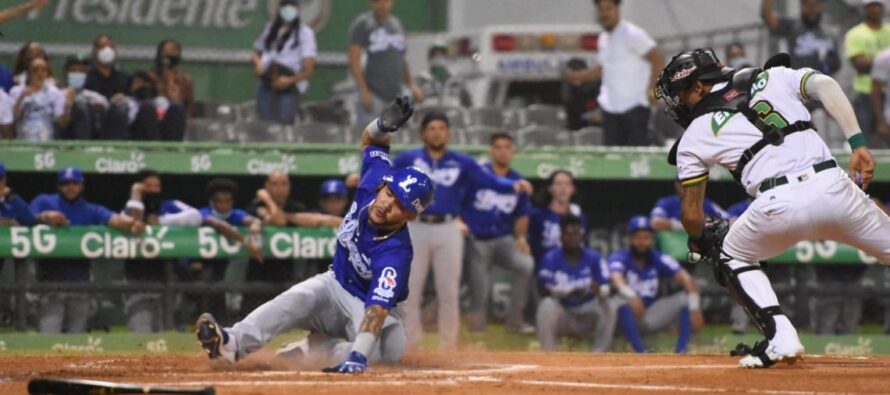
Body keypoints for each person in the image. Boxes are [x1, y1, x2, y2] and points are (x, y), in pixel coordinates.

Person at [655, 47, 890, 367]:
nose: (679, 104)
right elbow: (827, 86)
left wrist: (700, 237)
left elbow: (692, 215)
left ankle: (781, 338)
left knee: (732, 254)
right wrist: (858, 143)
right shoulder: (771, 76)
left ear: (698, 87)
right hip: (836, 188)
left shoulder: (695, 135)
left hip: (778, 204)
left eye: (680, 94)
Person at [196, 97, 432, 374]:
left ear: (409, 216)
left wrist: (357, 357)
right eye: (389, 193)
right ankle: (231, 343)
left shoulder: (396, 253)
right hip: (334, 285)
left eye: (399, 205)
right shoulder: (373, 182)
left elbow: (376, 310)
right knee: (294, 298)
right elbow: (373, 141)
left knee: (383, 354)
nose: (386, 204)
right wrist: (381, 125)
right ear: (382, 186)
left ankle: (314, 350)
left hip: (369, 306)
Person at [393, 112, 532, 349]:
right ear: (423, 133)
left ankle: (447, 347)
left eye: (441, 128)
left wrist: (512, 184)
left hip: (449, 227)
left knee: (449, 291)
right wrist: (362, 178)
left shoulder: (462, 161)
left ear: (448, 133)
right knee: (410, 290)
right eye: (432, 128)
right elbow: (385, 174)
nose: (437, 133)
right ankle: (410, 344)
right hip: (415, 225)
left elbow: (487, 180)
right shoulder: (409, 158)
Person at [31, 167, 143, 333]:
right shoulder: (44, 201)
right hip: (50, 283)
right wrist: (46, 216)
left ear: (82, 186)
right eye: (65, 183)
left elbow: (117, 221)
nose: (70, 187)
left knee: (76, 341)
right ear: (58, 186)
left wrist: (133, 218)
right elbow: (25, 217)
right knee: (49, 338)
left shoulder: (90, 209)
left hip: (80, 283)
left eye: (75, 183)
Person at [462, 132, 535, 334]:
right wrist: (460, 222)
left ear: (512, 151)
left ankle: (515, 321)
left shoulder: (517, 179)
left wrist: (521, 237)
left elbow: (522, 214)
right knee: (480, 287)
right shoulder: (480, 174)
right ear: (491, 150)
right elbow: (459, 199)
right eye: (498, 147)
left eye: (507, 147)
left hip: (503, 238)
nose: (503, 151)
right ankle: (478, 327)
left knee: (525, 264)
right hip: (476, 239)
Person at [563, 0, 664, 146]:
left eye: (608, 9)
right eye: (601, 10)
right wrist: (580, 76)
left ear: (617, 10)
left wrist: (653, 91)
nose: (605, 14)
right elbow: (605, 66)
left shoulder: (632, 34)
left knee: (634, 155)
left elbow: (658, 59)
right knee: (613, 156)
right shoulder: (603, 38)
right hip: (610, 108)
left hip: (635, 106)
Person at [242, 171, 341, 313]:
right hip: (258, 273)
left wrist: (277, 207)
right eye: (275, 184)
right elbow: (279, 221)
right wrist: (267, 201)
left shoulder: (295, 207)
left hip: (286, 273)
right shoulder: (255, 207)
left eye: (284, 184)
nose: (280, 189)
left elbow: (320, 220)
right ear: (267, 186)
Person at [123, 169, 201, 332]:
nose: (153, 190)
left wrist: (162, 221)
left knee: (167, 332)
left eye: (156, 186)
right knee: (141, 333)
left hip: (168, 279)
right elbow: (132, 221)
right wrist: (136, 194)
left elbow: (196, 217)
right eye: (147, 186)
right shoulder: (130, 207)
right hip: (137, 281)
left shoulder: (169, 205)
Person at [609, 216, 703, 353]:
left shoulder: (658, 258)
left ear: (652, 239)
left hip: (650, 313)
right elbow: (616, 279)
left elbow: (687, 280)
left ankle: (682, 351)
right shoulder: (620, 257)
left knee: (685, 299)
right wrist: (632, 296)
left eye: (646, 238)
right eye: (638, 237)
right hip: (626, 317)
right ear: (630, 238)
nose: (642, 242)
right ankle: (640, 351)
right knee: (619, 302)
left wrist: (695, 309)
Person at [536, 215, 616, 352]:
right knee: (546, 305)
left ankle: (599, 355)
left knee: (610, 305)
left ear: (581, 235)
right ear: (561, 236)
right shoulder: (551, 257)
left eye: (576, 233)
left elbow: (609, 287)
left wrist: (599, 290)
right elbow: (543, 289)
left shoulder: (594, 258)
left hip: (588, 312)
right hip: (563, 312)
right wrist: (565, 291)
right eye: (568, 234)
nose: (572, 237)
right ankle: (549, 356)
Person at [192, 178, 264, 324]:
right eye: (219, 201)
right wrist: (246, 241)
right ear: (212, 202)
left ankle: (230, 318)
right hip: (202, 262)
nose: (224, 205)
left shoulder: (236, 214)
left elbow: (254, 221)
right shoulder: (204, 212)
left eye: (228, 201)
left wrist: (255, 230)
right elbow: (219, 225)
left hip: (226, 264)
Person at [348, 0, 424, 126]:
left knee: (400, 137)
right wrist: (363, 91)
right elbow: (354, 59)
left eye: (386, 1)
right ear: (372, 3)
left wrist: (411, 84)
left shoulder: (396, 24)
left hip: (396, 94)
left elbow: (402, 58)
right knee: (372, 137)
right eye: (378, 1)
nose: (382, 4)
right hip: (373, 93)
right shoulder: (363, 23)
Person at [252, 0, 317, 124]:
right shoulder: (270, 29)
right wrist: (258, 64)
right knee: (265, 123)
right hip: (267, 81)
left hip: (289, 84)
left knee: (284, 122)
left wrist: (290, 80)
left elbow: (309, 68)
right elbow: (256, 52)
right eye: (285, 8)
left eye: (292, 8)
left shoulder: (305, 33)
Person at [85, 34, 158, 141]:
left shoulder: (124, 77)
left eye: (111, 47)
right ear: (95, 51)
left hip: (128, 121)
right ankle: (117, 150)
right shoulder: (88, 77)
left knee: (148, 107)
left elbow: (133, 100)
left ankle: (153, 150)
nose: (107, 50)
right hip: (101, 121)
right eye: (102, 47)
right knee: (119, 109)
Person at [845, 0, 890, 147]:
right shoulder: (856, 33)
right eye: (871, 6)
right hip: (865, 92)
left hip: (887, 93)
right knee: (866, 138)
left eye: (878, 6)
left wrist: (872, 59)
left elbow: (868, 62)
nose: (875, 10)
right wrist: (883, 60)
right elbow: (860, 65)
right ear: (865, 9)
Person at [760, 0, 840, 74]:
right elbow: (767, 17)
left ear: (821, 6)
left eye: (815, 5)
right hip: (798, 85)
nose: (812, 9)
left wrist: (832, 63)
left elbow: (837, 64)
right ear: (801, 6)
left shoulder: (830, 30)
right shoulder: (793, 26)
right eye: (808, 5)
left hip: (824, 85)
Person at [529, 170, 588, 266]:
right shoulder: (538, 215)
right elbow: (533, 245)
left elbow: (584, 245)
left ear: (573, 189)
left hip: (574, 267)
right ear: (550, 188)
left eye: (567, 184)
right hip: (547, 266)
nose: (563, 188)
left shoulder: (580, 216)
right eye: (558, 184)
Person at [9, 57, 71, 141]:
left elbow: (62, 123)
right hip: (24, 139)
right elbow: (12, 118)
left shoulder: (54, 92)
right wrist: (21, 98)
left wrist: (67, 108)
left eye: (43, 70)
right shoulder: (16, 91)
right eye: (35, 70)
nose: (40, 73)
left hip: (47, 139)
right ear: (28, 73)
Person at [147, 39, 191, 140]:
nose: (169, 54)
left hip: (175, 119)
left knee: (177, 107)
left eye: (173, 50)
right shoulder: (150, 76)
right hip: (154, 118)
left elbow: (189, 105)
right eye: (165, 51)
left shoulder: (185, 79)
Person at [59, 54, 108, 140]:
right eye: (73, 71)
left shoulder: (95, 96)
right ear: (66, 73)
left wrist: (94, 108)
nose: (77, 74)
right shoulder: (58, 95)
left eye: (81, 71)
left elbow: (105, 109)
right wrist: (68, 104)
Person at [650, 181, 728, 232]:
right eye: (682, 184)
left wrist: (706, 225)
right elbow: (655, 223)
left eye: (690, 184)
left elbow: (728, 221)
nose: (686, 188)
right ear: (676, 185)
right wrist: (689, 226)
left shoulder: (706, 203)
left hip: (702, 249)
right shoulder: (666, 203)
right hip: (674, 250)